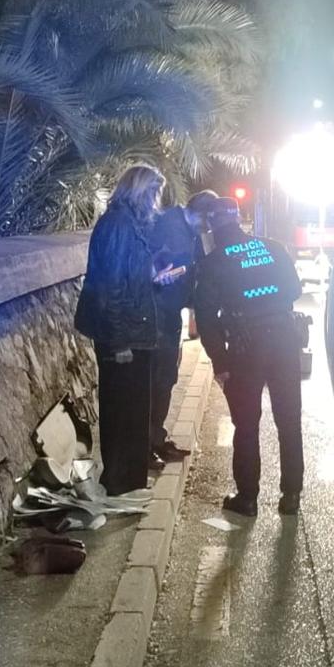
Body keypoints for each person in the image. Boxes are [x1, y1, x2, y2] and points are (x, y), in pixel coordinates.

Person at [194, 197, 305, 517]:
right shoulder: (273, 247)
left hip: (246, 348)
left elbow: (206, 318)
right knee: (289, 419)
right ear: (240, 218)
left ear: (213, 225)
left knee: (246, 424)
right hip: (284, 341)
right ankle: (291, 496)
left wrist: (220, 361)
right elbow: (294, 291)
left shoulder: (214, 261)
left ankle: (248, 498)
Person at [75, 165, 181, 495]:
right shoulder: (118, 225)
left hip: (134, 331)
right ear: (136, 191)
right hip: (122, 335)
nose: (155, 200)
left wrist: (156, 279)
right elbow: (109, 288)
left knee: (134, 409)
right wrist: (120, 341)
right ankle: (121, 481)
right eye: (151, 192)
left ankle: (130, 481)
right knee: (122, 410)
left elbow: (130, 279)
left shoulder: (130, 224)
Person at [146, 191, 216, 467]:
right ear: (198, 213)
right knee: (154, 384)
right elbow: (156, 268)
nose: (207, 228)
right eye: (207, 222)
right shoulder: (168, 226)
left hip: (170, 316)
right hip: (156, 317)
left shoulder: (190, 231)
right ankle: (145, 446)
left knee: (166, 381)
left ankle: (157, 440)